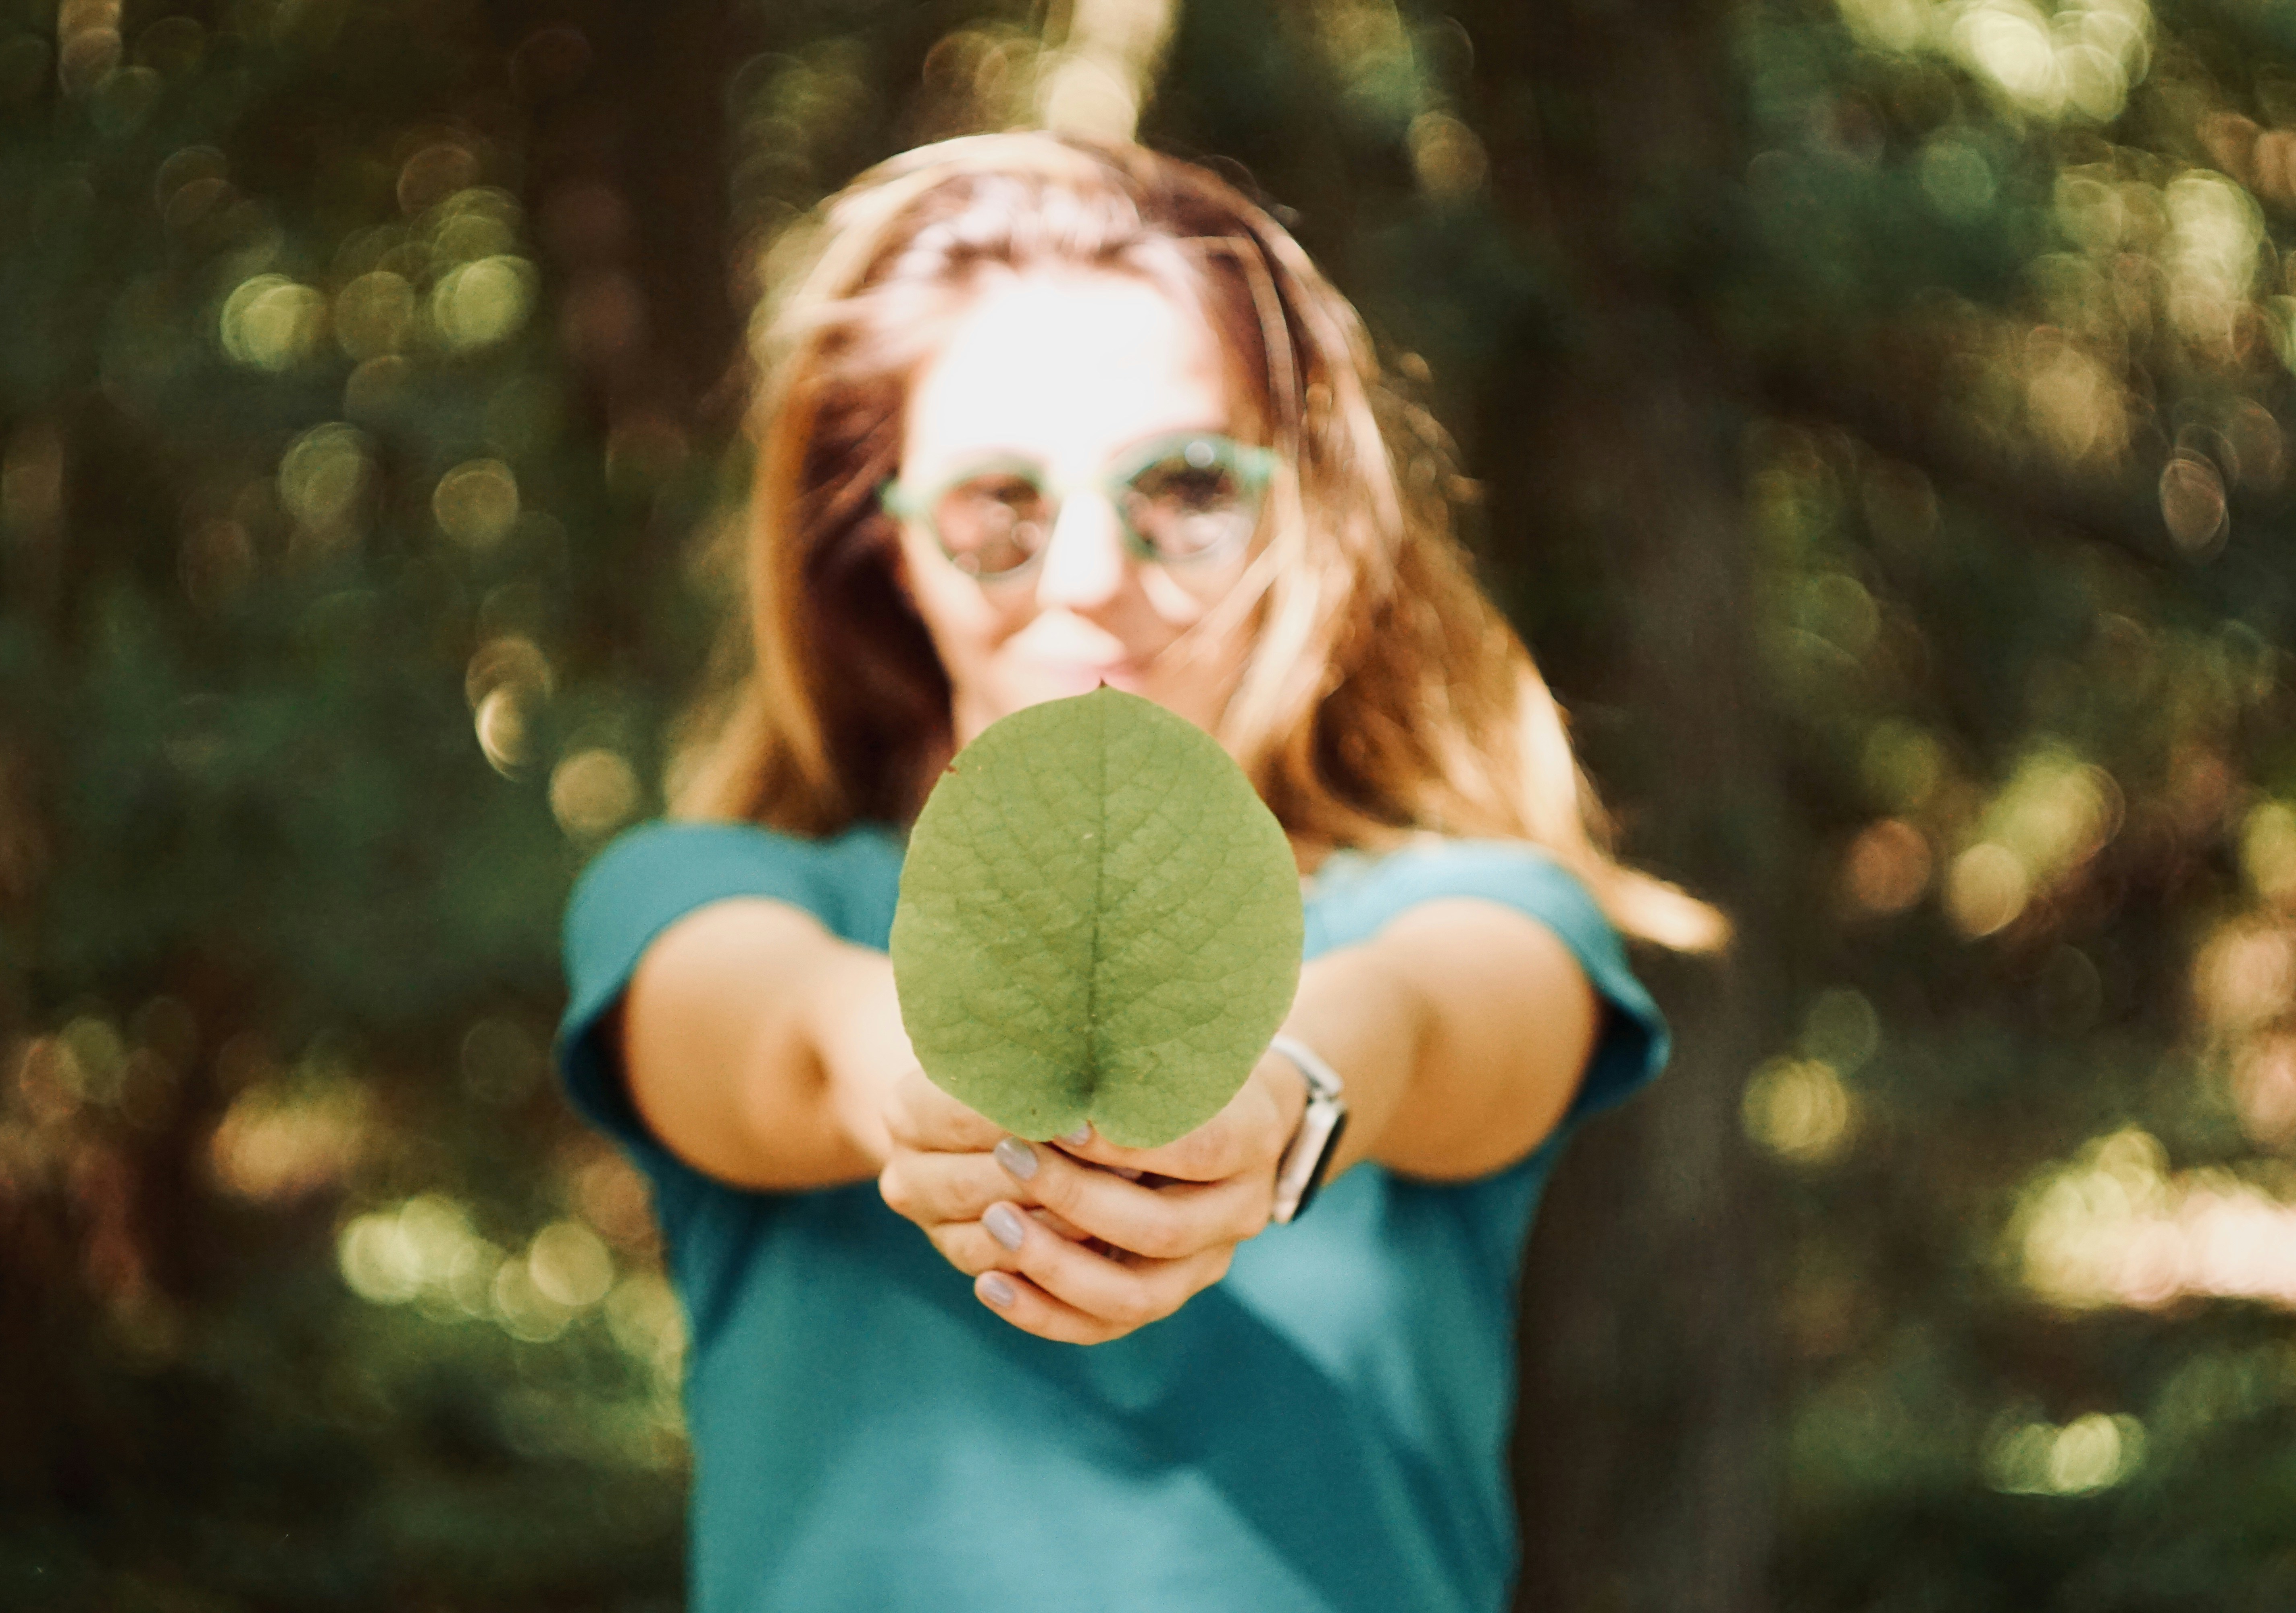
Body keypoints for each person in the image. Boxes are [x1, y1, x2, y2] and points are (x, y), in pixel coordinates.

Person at [555, 130, 1722, 1613]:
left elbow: (1428, 1024)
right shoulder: (698, 897)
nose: (1094, 572)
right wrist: (930, 1082)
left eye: (1184, 485)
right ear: (884, 543)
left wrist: (1277, 1099)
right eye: (1000, 502)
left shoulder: (1476, 909)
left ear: (1298, 507)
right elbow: (781, 1037)